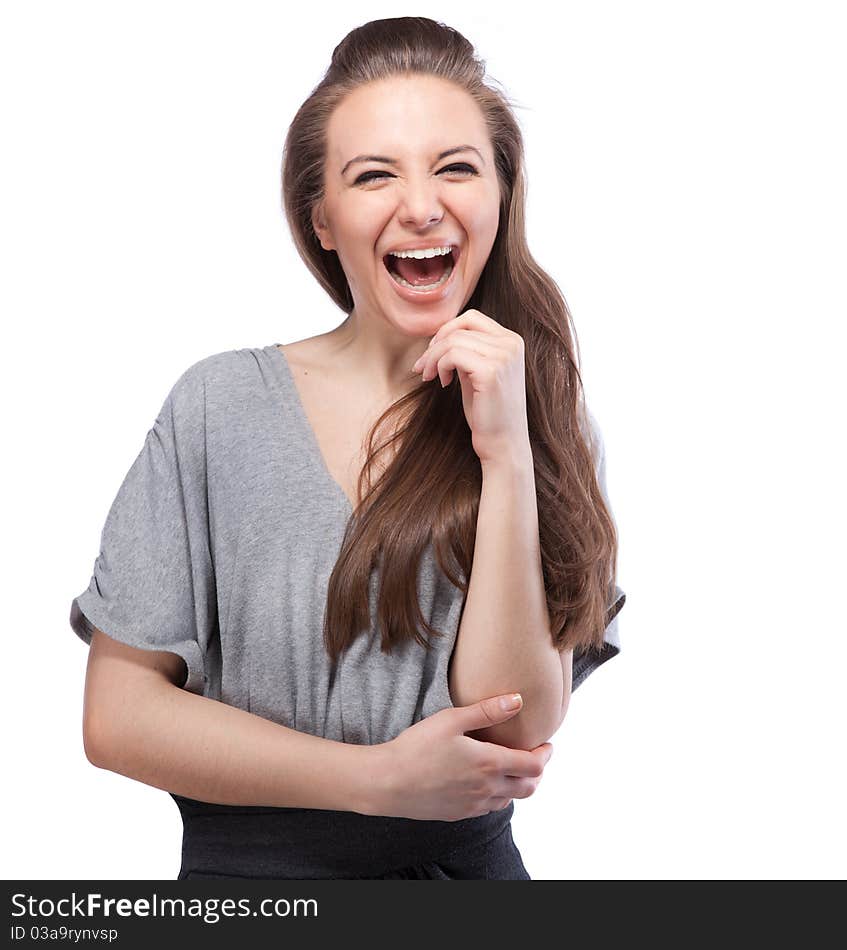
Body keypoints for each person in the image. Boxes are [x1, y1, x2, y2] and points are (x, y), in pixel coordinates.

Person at [69, 16, 626, 881]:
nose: (421, 205)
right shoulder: (219, 406)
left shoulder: (540, 413)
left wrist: (508, 456)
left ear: (501, 195)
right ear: (322, 219)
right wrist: (373, 781)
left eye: (456, 167)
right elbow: (117, 713)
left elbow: (514, 726)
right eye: (375, 176)